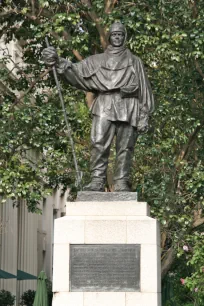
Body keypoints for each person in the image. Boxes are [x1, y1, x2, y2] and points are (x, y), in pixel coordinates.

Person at [42, 21, 154, 192]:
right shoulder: (97, 60)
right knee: (98, 142)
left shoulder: (134, 61)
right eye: (114, 35)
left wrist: (144, 115)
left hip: (128, 105)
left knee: (125, 147)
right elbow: (75, 70)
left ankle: (122, 181)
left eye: (120, 35)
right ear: (109, 37)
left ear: (125, 37)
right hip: (104, 103)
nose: (117, 37)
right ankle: (97, 180)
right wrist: (57, 61)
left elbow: (144, 89)